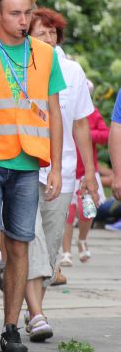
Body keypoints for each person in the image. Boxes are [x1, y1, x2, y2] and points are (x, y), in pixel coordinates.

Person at [0, 0, 66, 352]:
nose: (23, 20)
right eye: (15, 13)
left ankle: (9, 327)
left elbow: (53, 111)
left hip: (27, 161)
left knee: (20, 246)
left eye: (27, 14)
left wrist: (54, 165)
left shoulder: (46, 54)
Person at [22, 7, 98, 342]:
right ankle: (37, 314)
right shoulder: (18, 67)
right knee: (29, 240)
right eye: (42, 32)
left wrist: (91, 173)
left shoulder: (72, 71)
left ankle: (33, 308)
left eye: (53, 33)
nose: (49, 38)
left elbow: (81, 123)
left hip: (62, 171)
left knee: (50, 250)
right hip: (23, 168)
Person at [61, 97, 108, 266]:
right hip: (67, 170)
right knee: (68, 213)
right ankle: (66, 252)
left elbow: (105, 135)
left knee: (87, 210)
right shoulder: (63, 107)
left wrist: (86, 134)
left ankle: (82, 239)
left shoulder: (92, 113)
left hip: (86, 173)